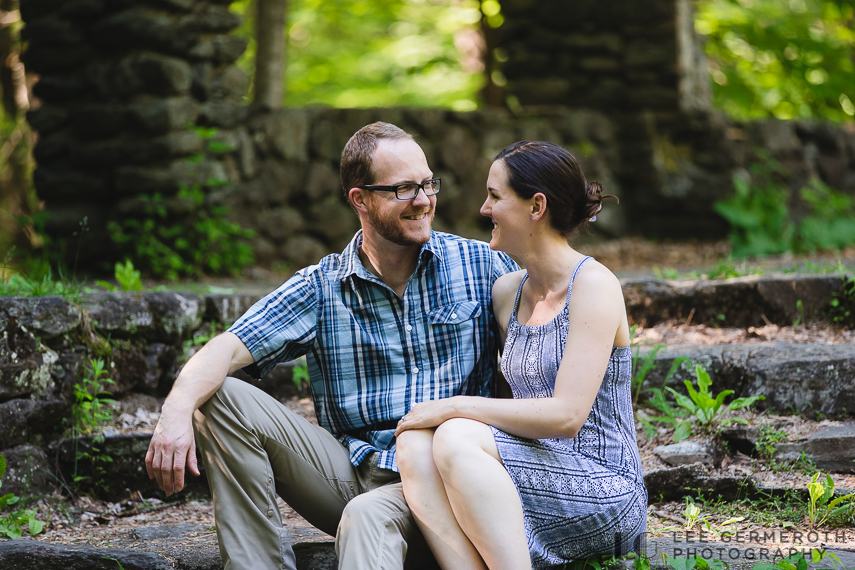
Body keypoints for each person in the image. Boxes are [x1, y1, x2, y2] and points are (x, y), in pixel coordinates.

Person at [144, 122, 518, 570]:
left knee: (368, 518)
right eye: (402, 188)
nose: (423, 200)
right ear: (360, 199)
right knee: (217, 394)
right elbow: (226, 346)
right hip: (354, 477)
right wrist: (175, 412)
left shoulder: (484, 266)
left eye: (426, 183)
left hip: (455, 482)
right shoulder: (322, 287)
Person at [394, 141, 648, 570]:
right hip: (528, 474)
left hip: (604, 490)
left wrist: (453, 408)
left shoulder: (594, 285)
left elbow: (567, 416)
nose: (483, 208)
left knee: (455, 433)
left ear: (536, 207)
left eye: (495, 196)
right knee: (414, 444)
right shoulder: (507, 293)